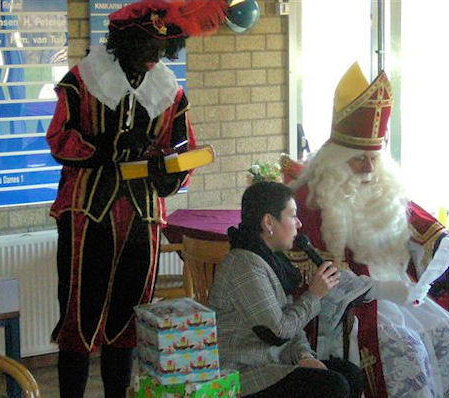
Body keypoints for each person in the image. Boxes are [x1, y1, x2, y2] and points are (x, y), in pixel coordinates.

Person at [45, 1, 226, 397]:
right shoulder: (82, 81)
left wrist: (169, 170)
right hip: (86, 217)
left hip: (143, 219)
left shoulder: (170, 95)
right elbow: (60, 139)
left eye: (162, 49)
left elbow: (182, 148)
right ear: (125, 41)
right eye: (148, 47)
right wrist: (107, 147)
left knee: (128, 318)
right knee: (80, 315)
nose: (155, 57)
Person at [287, 62, 449, 397]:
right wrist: (378, 289)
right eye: (359, 159)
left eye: (375, 157)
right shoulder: (308, 200)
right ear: (336, 158)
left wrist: (447, 243)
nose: (369, 168)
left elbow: (422, 231)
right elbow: (307, 280)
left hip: (405, 298)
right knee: (407, 352)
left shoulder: (385, 186)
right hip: (353, 310)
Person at [208, 181, 365, 398]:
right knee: (334, 386)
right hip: (246, 375)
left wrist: (303, 355)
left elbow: (292, 324)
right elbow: (277, 331)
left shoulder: (271, 259)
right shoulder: (244, 265)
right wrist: (314, 295)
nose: (299, 224)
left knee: (351, 374)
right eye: (292, 216)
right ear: (269, 222)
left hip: (273, 363)